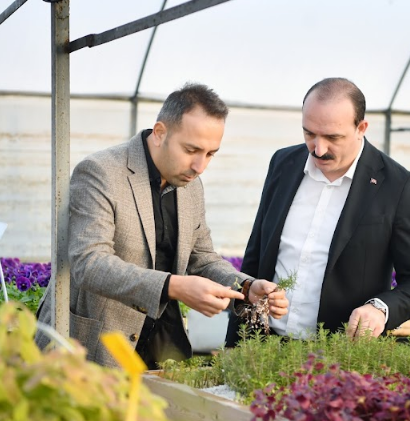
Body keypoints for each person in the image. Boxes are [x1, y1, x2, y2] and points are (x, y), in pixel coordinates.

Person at [35, 83, 288, 369]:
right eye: (191, 149)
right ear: (160, 133)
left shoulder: (191, 185)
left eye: (210, 153)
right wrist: (174, 286)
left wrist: (245, 288)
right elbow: (89, 263)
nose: (200, 166)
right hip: (94, 349)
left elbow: (201, 258)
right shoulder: (100, 171)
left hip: (162, 346)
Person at [226, 78, 410, 346]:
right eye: (309, 133)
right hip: (261, 345)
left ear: (361, 128)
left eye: (332, 137)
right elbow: (256, 252)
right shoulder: (283, 163)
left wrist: (380, 308)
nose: (318, 149)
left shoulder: (397, 186)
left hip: (337, 352)